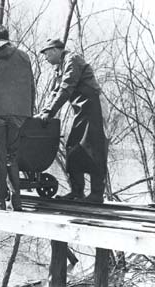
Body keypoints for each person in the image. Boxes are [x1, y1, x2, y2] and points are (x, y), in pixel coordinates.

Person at [37, 38, 108, 203]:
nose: (45, 58)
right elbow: (55, 92)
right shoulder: (59, 68)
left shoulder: (72, 60)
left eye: (46, 54)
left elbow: (66, 88)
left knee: (95, 148)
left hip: (93, 105)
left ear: (55, 50)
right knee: (72, 146)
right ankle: (77, 191)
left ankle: (97, 194)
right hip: (81, 109)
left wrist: (51, 111)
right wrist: (45, 111)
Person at [0, 25, 35, 210]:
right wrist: (28, 110)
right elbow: (31, 85)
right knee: (12, 155)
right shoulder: (24, 57)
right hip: (19, 112)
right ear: (8, 37)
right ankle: (16, 200)